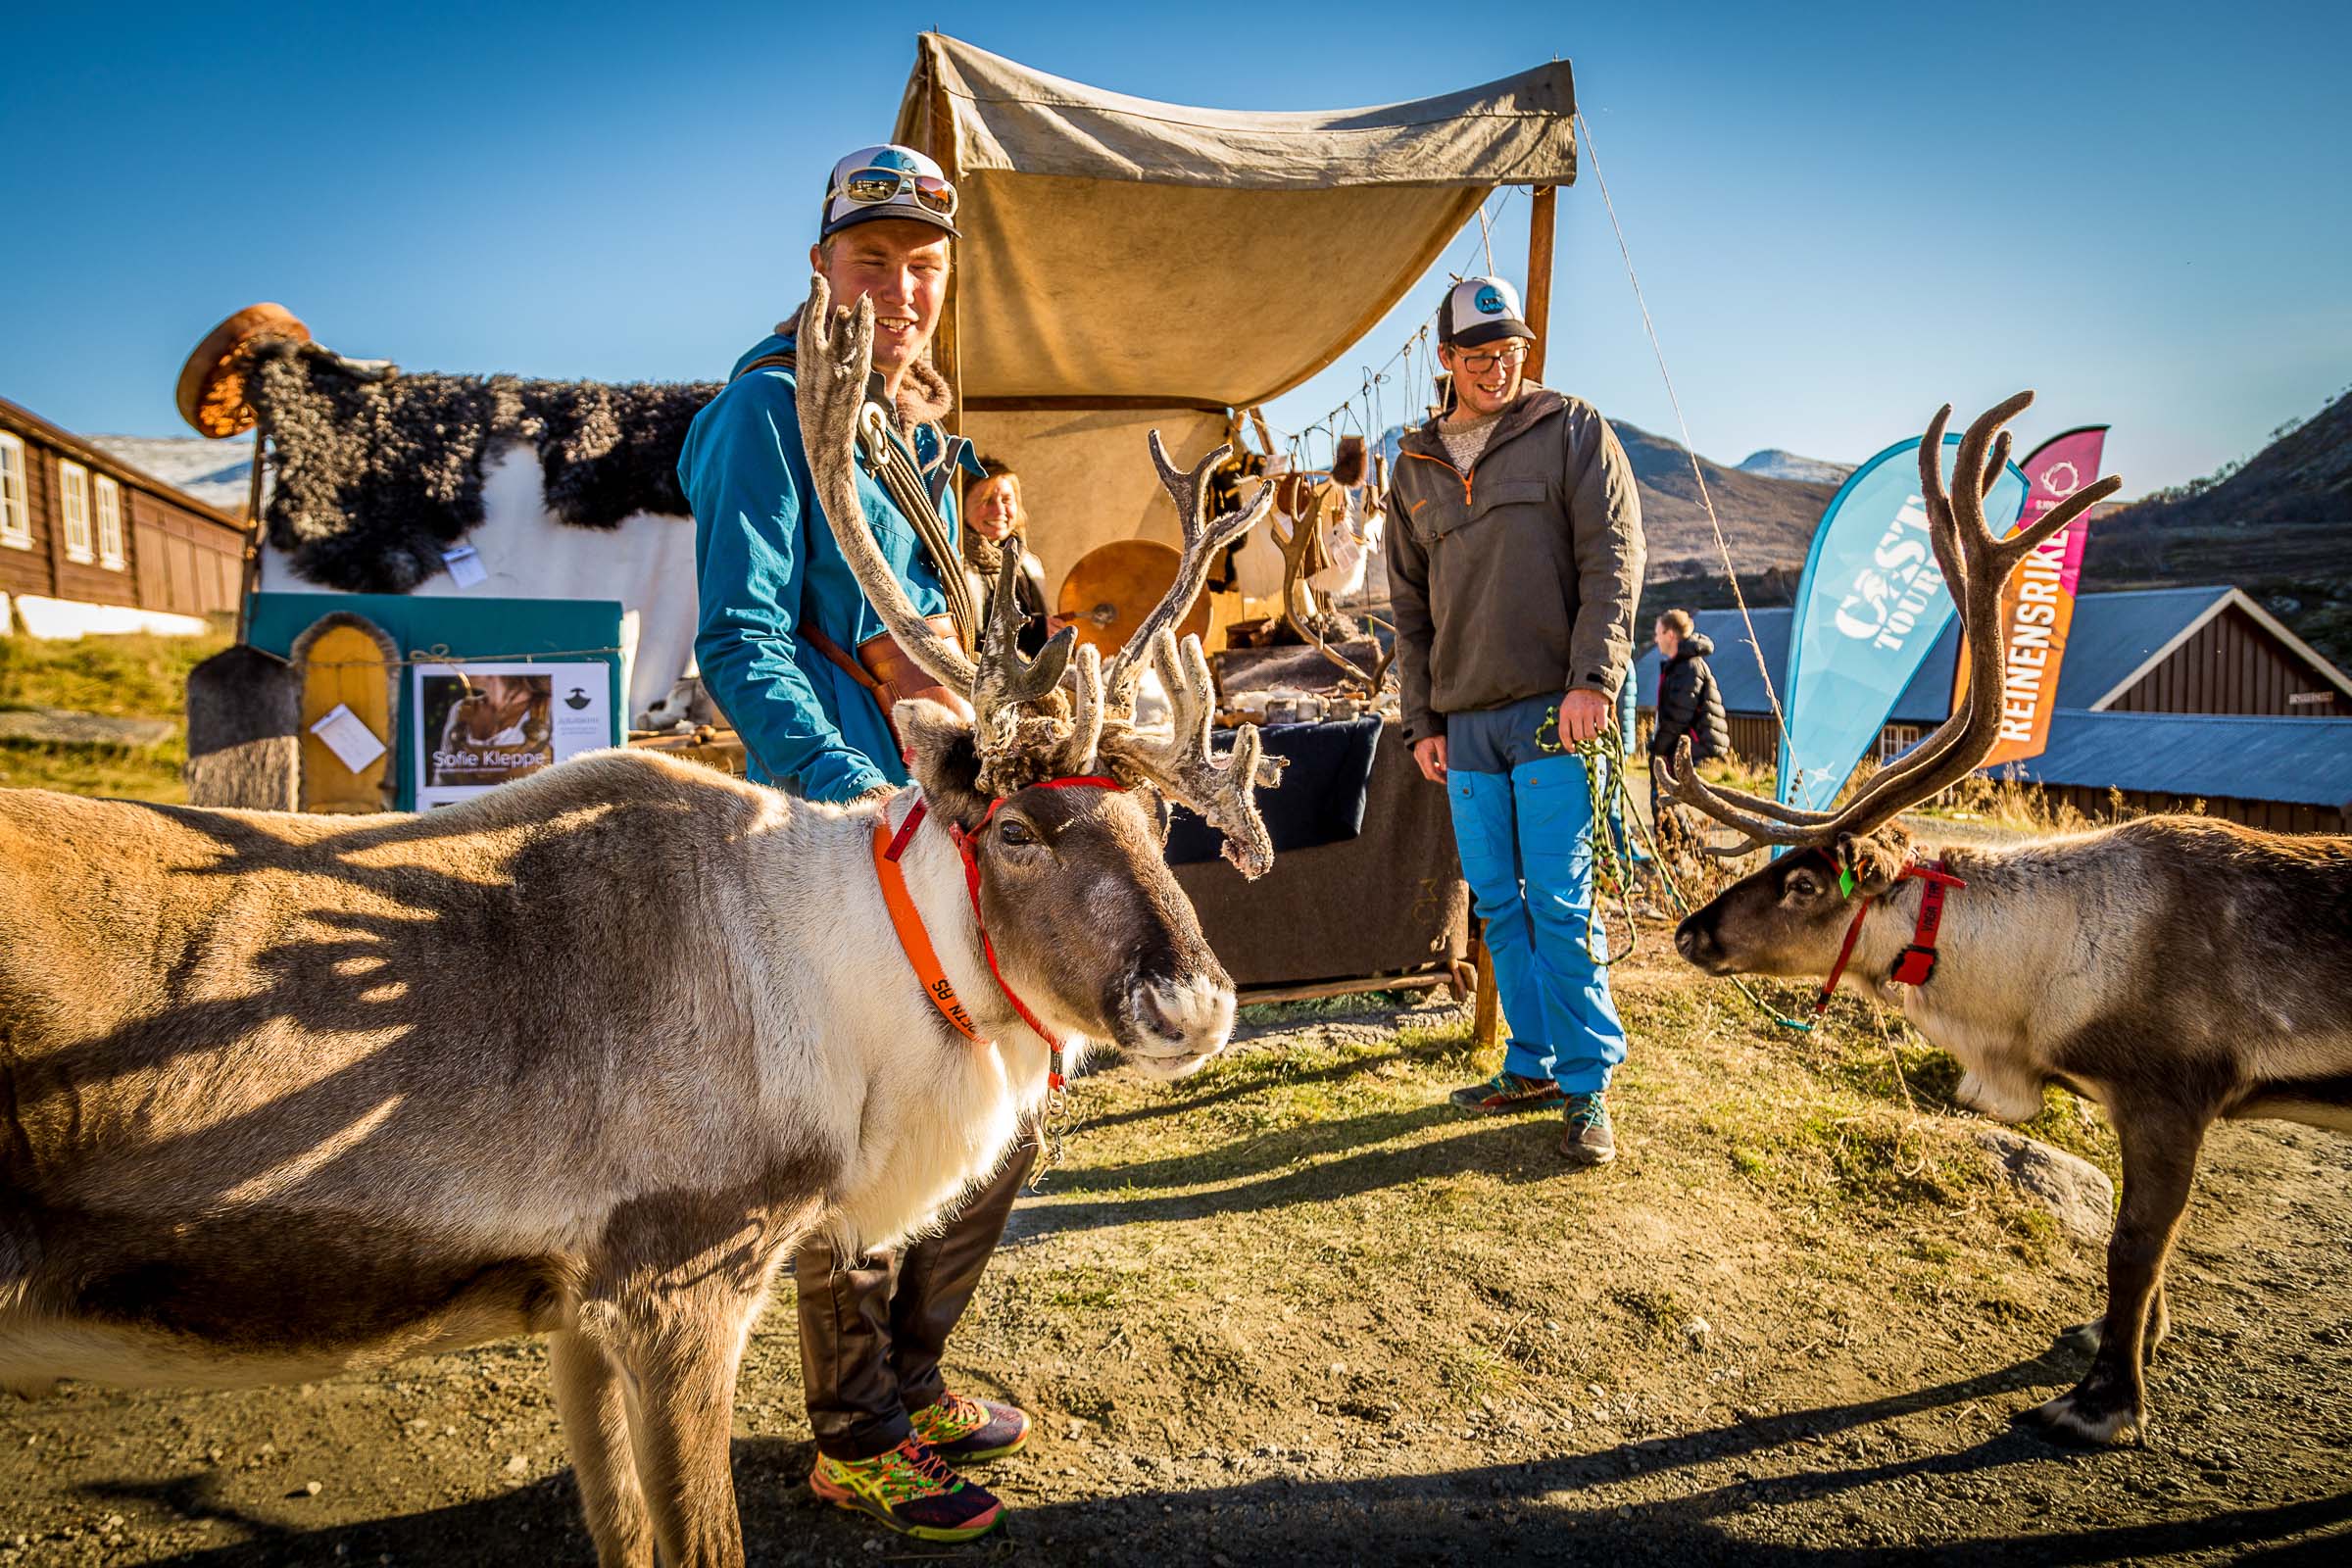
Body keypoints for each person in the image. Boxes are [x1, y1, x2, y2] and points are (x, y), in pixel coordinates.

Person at [676, 142, 1029, 1545]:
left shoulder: (909, 436)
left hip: (950, 832)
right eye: (871, 259)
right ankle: (858, 1434)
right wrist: (849, 797)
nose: (899, 287)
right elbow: (741, 637)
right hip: (851, 844)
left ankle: (918, 1378)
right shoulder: (769, 412)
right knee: (860, 1134)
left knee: (990, 1121)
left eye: (922, 264)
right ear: (822, 263)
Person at [1386, 275, 1646, 1166]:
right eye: (1478, 355)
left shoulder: (1573, 430)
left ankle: (1587, 1085)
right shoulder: (1414, 462)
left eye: (1510, 352)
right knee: (1498, 905)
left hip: (1552, 710)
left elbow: (1613, 560)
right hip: (1463, 725)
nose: (1497, 368)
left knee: (1562, 903)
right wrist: (1421, 718)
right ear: (1447, 360)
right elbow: (1408, 607)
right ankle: (1531, 1061)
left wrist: (1593, 679)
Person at [1646, 610, 1730, 836]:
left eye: (1658, 633)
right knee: (1671, 802)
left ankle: (1684, 853)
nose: (1656, 639)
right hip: (1680, 745)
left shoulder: (1689, 667)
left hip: (1690, 745)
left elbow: (1678, 715)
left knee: (1672, 802)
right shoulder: (1680, 665)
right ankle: (1676, 850)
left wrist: (1658, 748)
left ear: (1670, 634)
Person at [960, 458, 1056, 656]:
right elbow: (962, 641)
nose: (999, 510)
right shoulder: (956, 564)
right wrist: (1033, 632)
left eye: (1006, 500)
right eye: (986, 501)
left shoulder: (1028, 564)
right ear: (961, 506)